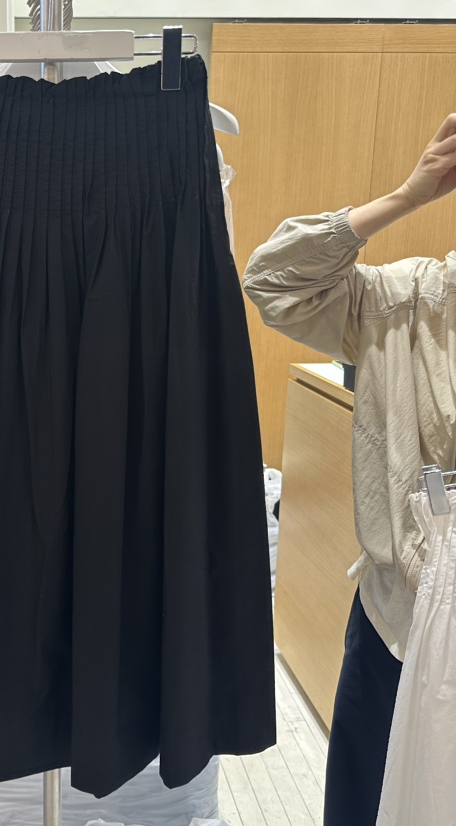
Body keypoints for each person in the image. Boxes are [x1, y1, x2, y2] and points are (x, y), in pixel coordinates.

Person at [243, 114, 456, 826]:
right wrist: (405, 196)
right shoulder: (407, 300)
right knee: (365, 805)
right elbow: (273, 281)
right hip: (398, 620)